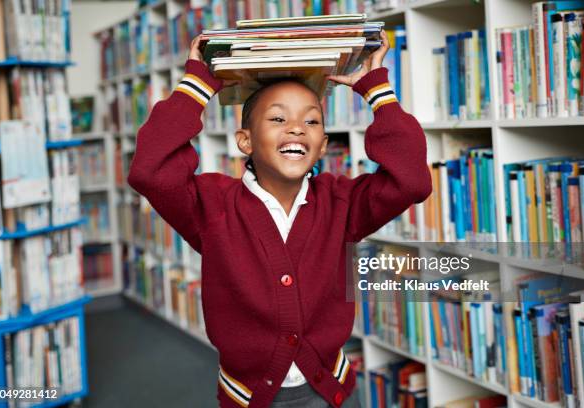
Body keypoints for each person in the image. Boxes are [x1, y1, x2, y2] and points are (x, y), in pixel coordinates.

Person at [127, 30, 431, 408]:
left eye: (312, 122)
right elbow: (150, 171)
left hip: (332, 392)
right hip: (249, 397)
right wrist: (197, 84)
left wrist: (376, 92)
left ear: (321, 146)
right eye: (277, 118)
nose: (296, 128)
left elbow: (412, 180)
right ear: (245, 142)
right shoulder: (211, 205)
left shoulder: (344, 203)